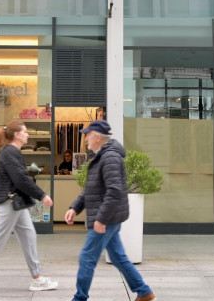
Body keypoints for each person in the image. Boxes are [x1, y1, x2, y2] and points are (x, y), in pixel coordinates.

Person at [0, 121, 58, 295]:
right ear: (17, 135)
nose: (28, 135)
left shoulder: (11, 152)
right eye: (25, 132)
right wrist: (42, 195)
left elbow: (20, 178)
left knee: (29, 236)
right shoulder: (10, 153)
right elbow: (21, 179)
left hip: (16, 203)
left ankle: (37, 278)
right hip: (9, 203)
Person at [65, 120, 156, 301]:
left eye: (87, 136)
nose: (85, 141)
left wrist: (101, 219)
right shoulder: (102, 157)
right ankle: (144, 291)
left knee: (87, 258)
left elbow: (114, 191)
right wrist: (75, 208)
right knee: (118, 257)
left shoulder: (110, 158)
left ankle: (79, 298)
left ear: (97, 137)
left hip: (107, 218)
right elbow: (91, 189)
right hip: (108, 216)